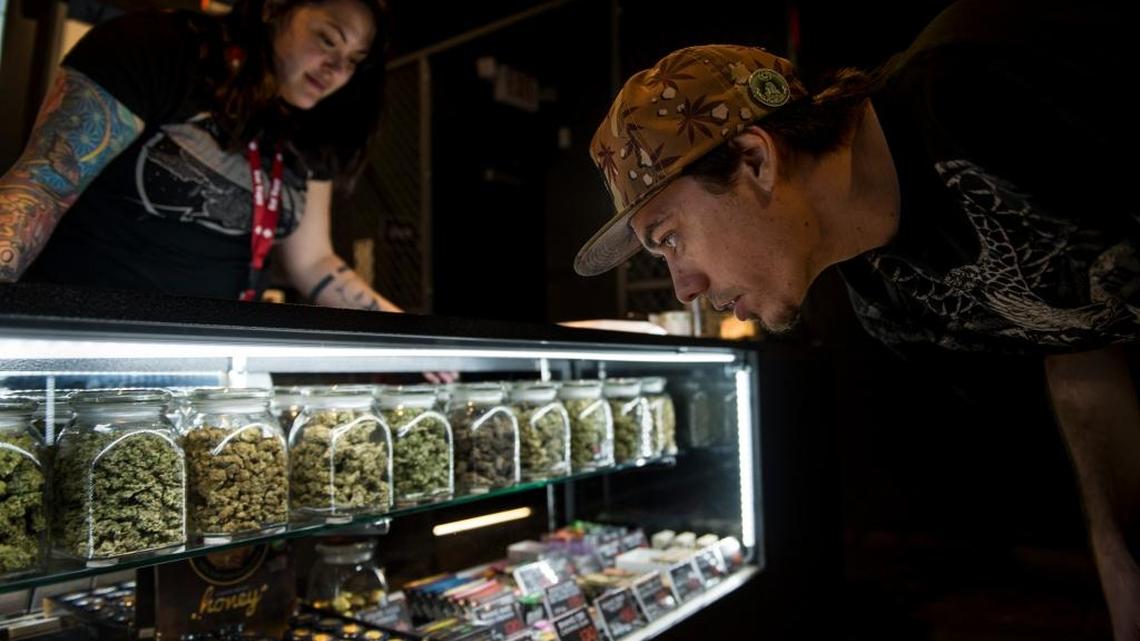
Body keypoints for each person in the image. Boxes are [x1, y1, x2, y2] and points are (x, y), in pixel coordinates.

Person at [574, 2, 1137, 638]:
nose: (684, 289)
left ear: (755, 161)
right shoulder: (886, 301)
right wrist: (1124, 565)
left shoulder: (974, 82)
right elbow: (1080, 343)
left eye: (670, 238)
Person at [0, 0, 400, 312]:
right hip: (89, 337)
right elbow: (42, 186)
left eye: (354, 60)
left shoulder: (310, 130)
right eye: (328, 40)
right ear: (273, 9)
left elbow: (313, 262)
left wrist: (409, 335)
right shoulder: (160, 46)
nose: (336, 68)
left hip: (218, 355)